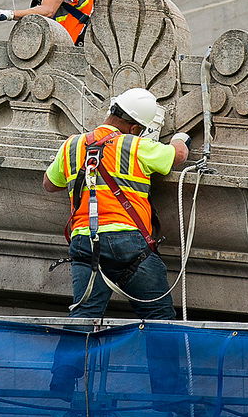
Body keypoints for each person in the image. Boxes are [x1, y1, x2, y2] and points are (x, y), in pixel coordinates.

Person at [42, 88, 190, 396]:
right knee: (158, 319)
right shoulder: (135, 146)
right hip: (128, 244)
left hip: (85, 244)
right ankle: (169, 397)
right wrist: (181, 140)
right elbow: (175, 157)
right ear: (136, 127)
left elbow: (49, 184)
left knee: (84, 313)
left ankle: (61, 381)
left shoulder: (72, 146)